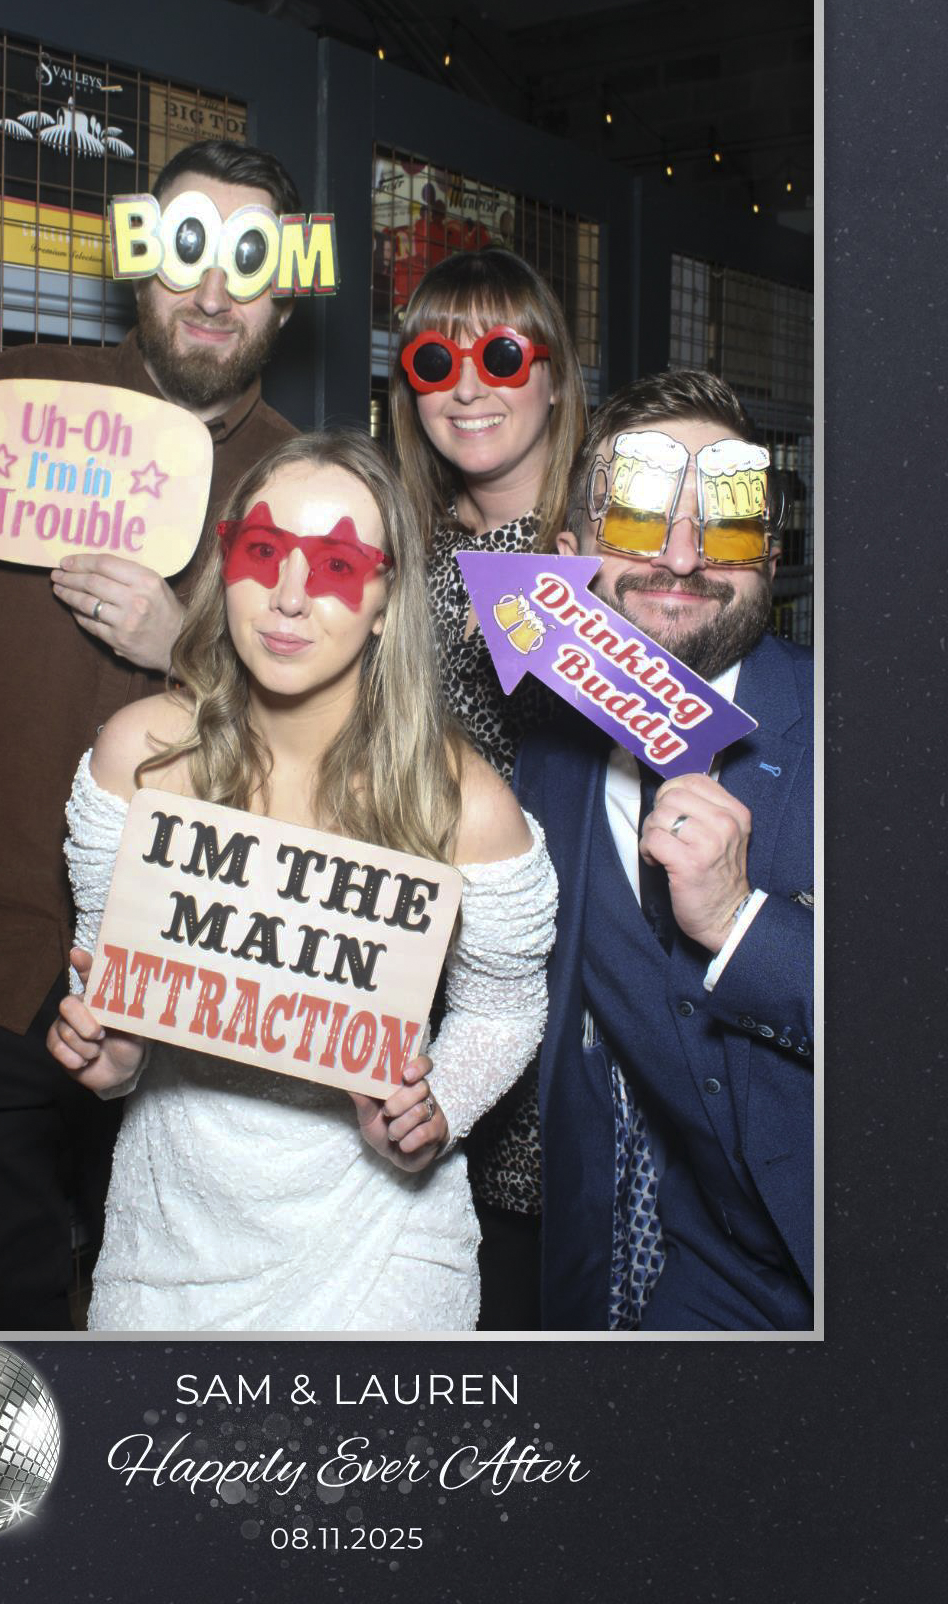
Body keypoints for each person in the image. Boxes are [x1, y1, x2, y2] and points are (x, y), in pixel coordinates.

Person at [0, 140, 303, 1330]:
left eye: (249, 260)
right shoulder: (12, 405)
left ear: (287, 287)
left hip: (188, 1009)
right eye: (185, 249)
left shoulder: (310, 482)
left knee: (170, 1330)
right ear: (137, 263)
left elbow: (335, 755)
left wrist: (190, 647)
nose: (214, 291)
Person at [47, 431, 559, 1331]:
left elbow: (507, 1006)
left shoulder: (466, 803)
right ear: (225, 562)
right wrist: (115, 1059)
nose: (287, 596)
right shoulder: (139, 757)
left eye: (332, 564)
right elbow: (116, 983)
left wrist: (436, 1110)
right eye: (262, 552)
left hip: (383, 1241)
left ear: (384, 596)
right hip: (171, 1236)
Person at [514, 369, 814, 1331]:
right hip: (701, 1274)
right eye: (640, 520)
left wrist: (741, 924)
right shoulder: (546, 764)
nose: (681, 558)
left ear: (768, 558)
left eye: (722, 525)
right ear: (570, 556)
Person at [389, 247, 586, 1328]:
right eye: (434, 357)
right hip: (404, 970)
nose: (467, 385)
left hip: (564, 983)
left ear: (555, 376)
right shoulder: (393, 549)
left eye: (503, 352)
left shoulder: (623, 553)